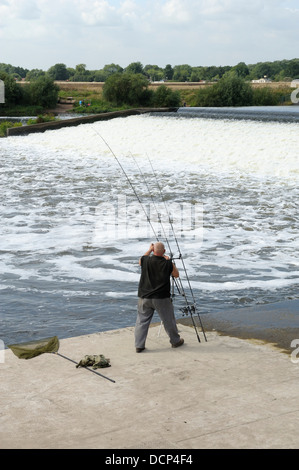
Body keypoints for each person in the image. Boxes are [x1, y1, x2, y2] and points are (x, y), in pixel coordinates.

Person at [135, 242, 184, 352]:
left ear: (153, 251)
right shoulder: (167, 263)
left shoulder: (146, 260)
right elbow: (176, 274)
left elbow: (140, 260)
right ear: (164, 251)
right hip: (161, 298)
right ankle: (175, 341)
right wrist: (169, 261)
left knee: (141, 321)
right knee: (168, 320)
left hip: (144, 297)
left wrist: (149, 250)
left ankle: (139, 345)